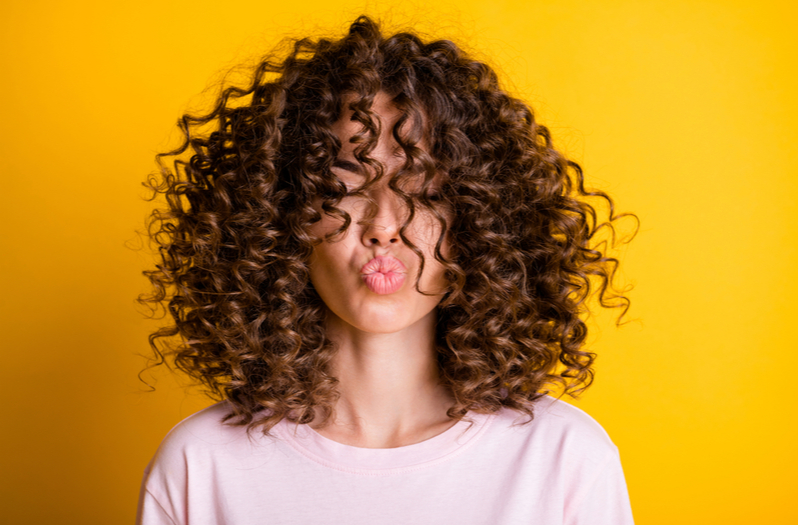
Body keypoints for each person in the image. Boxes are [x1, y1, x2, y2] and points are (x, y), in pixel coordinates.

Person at [136, 15, 636, 525]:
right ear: (283, 216)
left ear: (479, 221)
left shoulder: (563, 459)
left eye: (423, 191)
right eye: (347, 187)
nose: (384, 227)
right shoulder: (200, 466)